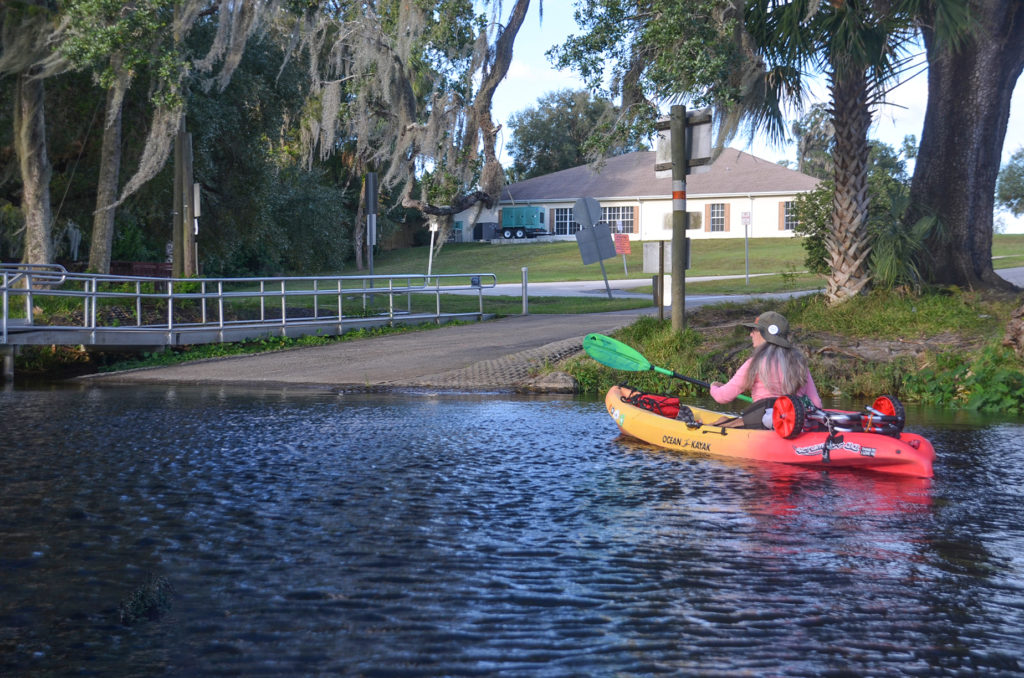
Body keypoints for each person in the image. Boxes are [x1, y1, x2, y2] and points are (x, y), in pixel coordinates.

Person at [709, 311, 822, 428]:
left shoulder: (754, 363)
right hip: (791, 425)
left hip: (762, 423)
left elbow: (722, 397)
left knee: (721, 421)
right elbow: (816, 404)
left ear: (764, 335)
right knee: (724, 419)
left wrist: (714, 387)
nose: (751, 335)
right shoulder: (800, 363)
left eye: (754, 330)